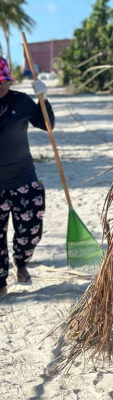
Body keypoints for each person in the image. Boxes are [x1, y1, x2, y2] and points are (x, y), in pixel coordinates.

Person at [0, 57, 53, 299]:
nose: (0, 85)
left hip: (24, 179)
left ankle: (20, 262)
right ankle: (1, 281)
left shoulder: (20, 101)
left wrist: (44, 99)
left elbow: (47, 125)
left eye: (3, 80)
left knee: (30, 231)